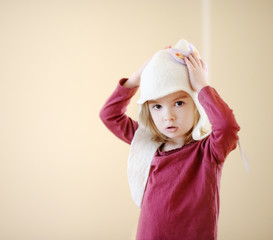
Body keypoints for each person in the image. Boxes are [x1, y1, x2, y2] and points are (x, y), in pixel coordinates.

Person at [99, 39, 240, 239]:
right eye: (157, 106)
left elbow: (227, 127)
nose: (168, 116)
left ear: (196, 105)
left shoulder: (209, 151)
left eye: (179, 103)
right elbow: (109, 115)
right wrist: (141, 74)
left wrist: (202, 86)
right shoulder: (147, 142)